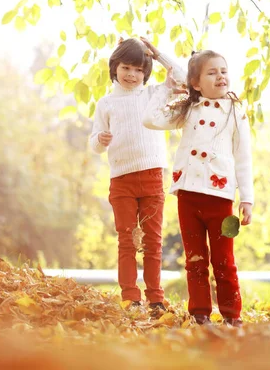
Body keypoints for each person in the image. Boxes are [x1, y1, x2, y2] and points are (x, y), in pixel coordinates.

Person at [142, 50, 254, 327]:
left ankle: (232, 316)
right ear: (196, 83)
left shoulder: (236, 112)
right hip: (188, 195)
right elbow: (150, 119)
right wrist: (166, 84)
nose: (220, 76)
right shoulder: (187, 109)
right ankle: (200, 314)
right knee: (195, 259)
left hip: (222, 197)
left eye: (224, 71)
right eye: (212, 72)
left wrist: (247, 199)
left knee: (224, 261)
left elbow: (244, 158)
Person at [89, 37, 186, 313]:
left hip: (153, 175)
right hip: (122, 179)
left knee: (154, 241)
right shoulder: (106, 104)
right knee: (127, 239)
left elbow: (181, 78)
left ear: (146, 71)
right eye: (126, 68)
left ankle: (156, 297)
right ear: (115, 67)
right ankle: (130, 296)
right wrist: (101, 140)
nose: (132, 75)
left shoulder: (153, 94)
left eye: (138, 69)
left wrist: (158, 54)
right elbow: (93, 143)